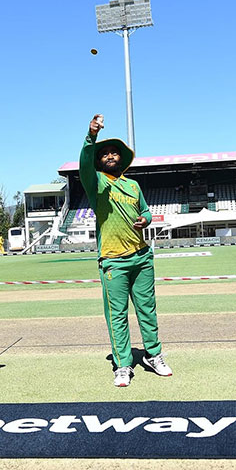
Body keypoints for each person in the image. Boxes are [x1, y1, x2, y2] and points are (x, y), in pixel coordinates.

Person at [80, 114, 172, 387]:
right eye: (104, 153)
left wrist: (146, 219)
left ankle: (153, 355)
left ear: (121, 158)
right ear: (99, 160)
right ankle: (122, 365)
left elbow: (146, 211)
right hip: (113, 261)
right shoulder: (96, 182)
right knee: (117, 315)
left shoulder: (133, 185)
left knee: (147, 311)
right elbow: (84, 163)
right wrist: (91, 137)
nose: (109, 156)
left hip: (141, 258)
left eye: (114, 152)